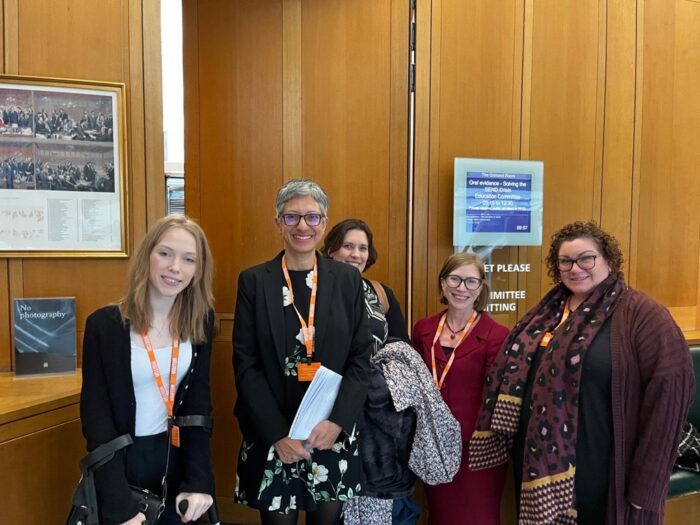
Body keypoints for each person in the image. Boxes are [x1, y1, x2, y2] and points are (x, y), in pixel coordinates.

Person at [470, 220, 695, 525]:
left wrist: (647, 484)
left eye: (586, 258)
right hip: (537, 466)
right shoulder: (546, 312)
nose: (575, 269)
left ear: (609, 261)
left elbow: (669, 397)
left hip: (601, 469)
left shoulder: (643, 316)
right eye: (566, 261)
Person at [233, 179, 373, 525]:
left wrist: (338, 421)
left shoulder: (346, 281)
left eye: (312, 217)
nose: (302, 226)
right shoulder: (254, 281)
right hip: (274, 434)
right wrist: (278, 434)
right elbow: (246, 364)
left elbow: (361, 358)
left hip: (329, 434)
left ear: (323, 223)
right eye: (292, 217)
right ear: (278, 222)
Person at [80, 214, 216, 524]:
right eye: (165, 253)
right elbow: (97, 421)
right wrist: (119, 506)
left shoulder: (200, 322)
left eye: (189, 259)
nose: (175, 267)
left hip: (174, 459)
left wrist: (199, 481)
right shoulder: (105, 326)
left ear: (198, 269)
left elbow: (198, 407)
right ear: (148, 256)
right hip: (120, 466)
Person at [323, 219, 421, 524]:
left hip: (374, 418)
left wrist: (378, 389)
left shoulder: (381, 293)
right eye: (348, 246)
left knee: (371, 496)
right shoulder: (316, 291)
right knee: (329, 495)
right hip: (328, 406)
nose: (356, 254)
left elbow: (401, 349)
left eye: (362, 248)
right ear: (330, 251)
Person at [412, 252, 509, 525]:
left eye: (470, 282)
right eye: (454, 279)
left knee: (477, 516)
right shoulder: (424, 329)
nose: (461, 288)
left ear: (480, 289)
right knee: (441, 516)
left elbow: (496, 397)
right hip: (435, 445)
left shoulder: (497, 334)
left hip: (477, 448)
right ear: (443, 284)